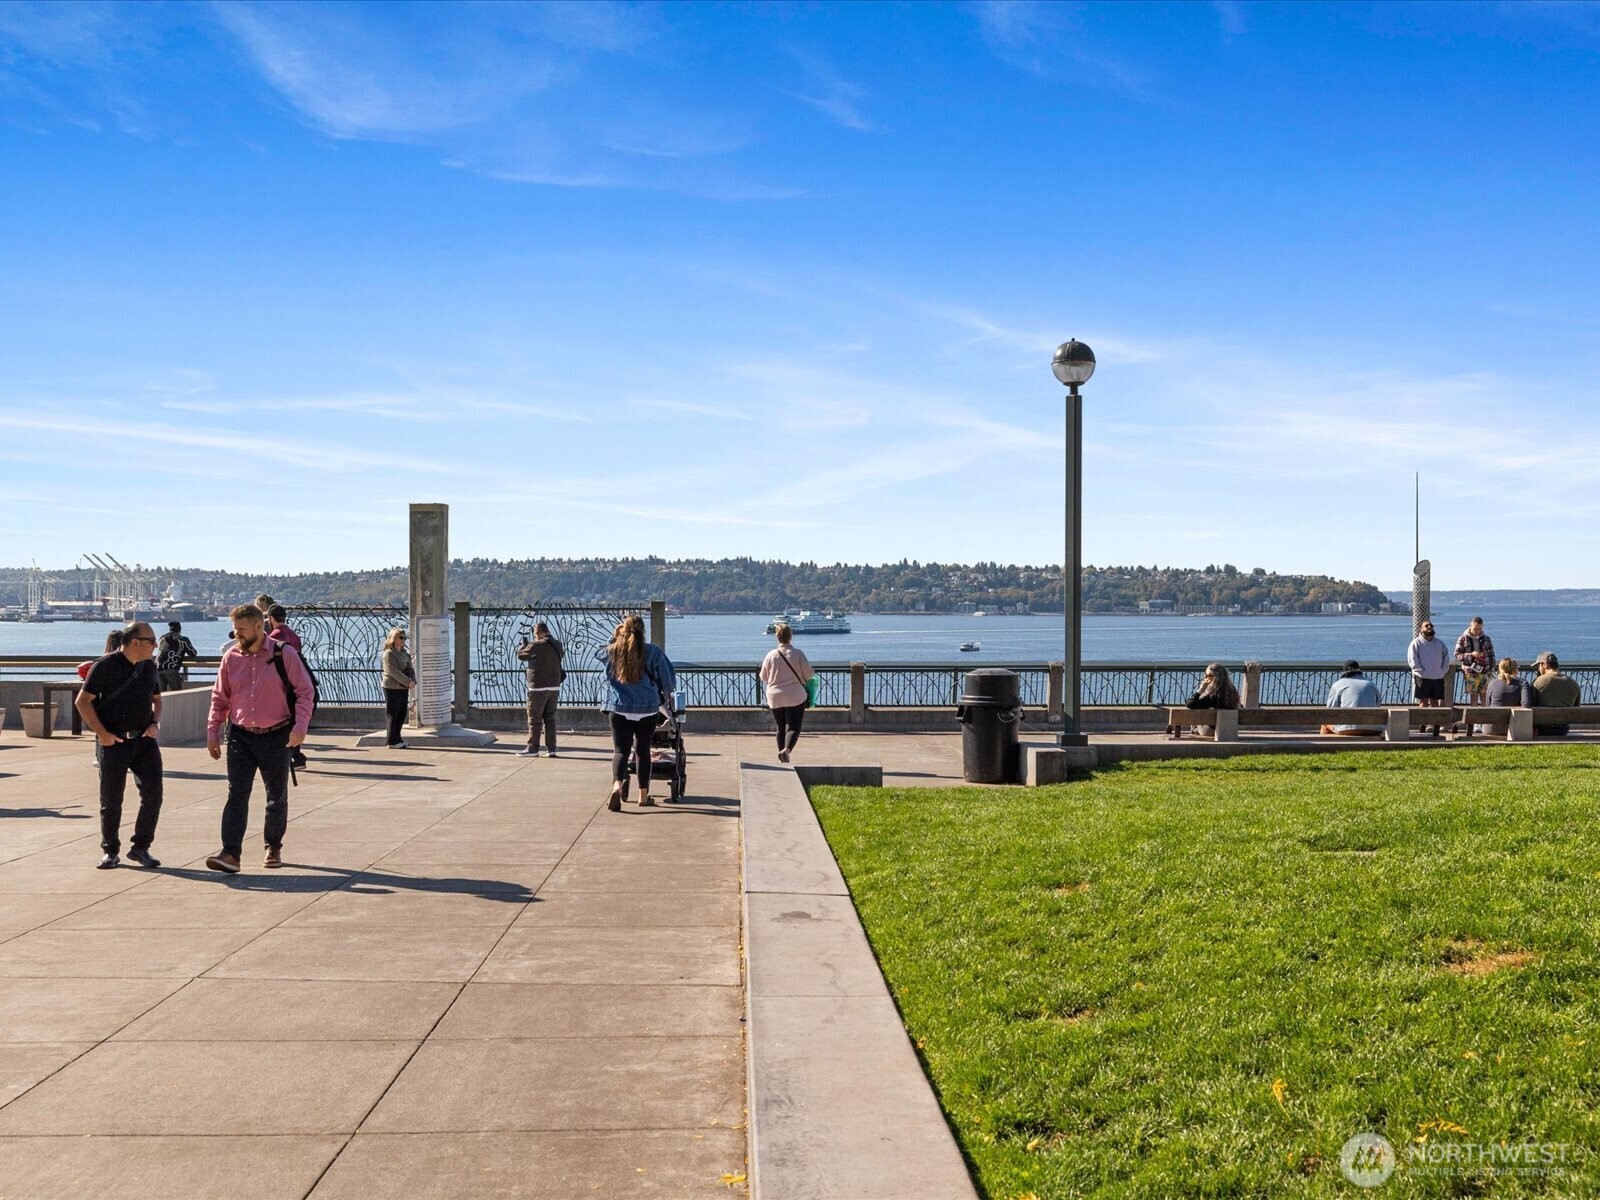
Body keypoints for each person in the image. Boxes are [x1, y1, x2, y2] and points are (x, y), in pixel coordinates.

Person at [204, 603, 314, 873]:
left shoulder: (283, 654)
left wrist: (300, 727)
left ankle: (272, 846)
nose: (236, 634)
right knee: (237, 793)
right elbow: (220, 698)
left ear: (258, 626)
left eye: (241, 629)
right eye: (234, 629)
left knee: (275, 795)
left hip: (277, 735)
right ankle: (230, 854)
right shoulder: (231, 658)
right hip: (241, 736)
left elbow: (305, 692)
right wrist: (213, 731)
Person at [74, 622, 164, 869]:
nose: (156, 645)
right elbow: (83, 702)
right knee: (111, 800)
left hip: (144, 741)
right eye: (151, 640)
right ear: (135, 642)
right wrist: (102, 734)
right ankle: (110, 850)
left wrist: (155, 723)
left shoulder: (149, 667)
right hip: (114, 742)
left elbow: (157, 701)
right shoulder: (105, 666)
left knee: (153, 795)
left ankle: (141, 847)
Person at [597, 614, 676, 811]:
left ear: (623, 629)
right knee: (643, 752)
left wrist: (614, 637)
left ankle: (617, 786)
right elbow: (668, 681)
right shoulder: (653, 652)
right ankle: (643, 795)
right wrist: (666, 697)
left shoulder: (614, 650)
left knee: (621, 751)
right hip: (647, 707)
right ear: (643, 631)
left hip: (620, 707)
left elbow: (598, 654)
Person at [759, 622, 814, 763]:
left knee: (780, 727)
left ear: (777, 637)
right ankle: (787, 750)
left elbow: (763, 677)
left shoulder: (770, 655)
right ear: (791, 636)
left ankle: (782, 756)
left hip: (775, 696)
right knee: (793, 726)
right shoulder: (798, 654)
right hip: (795, 695)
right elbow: (809, 675)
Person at [265, 604, 312, 768]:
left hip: (285, 684)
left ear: (271, 618)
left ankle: (294, 757)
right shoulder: (294, 635)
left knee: (285, 723)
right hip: (297, 681)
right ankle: (296, 756)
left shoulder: (275, 635)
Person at [515, 621, 565, 757]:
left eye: (536, 634)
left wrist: (523, 646)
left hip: (538, 687)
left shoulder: (535, 645)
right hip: (554, 686)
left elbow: (521, 656)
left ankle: (532, 748)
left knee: (534, 718)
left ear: (537, 633)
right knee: (550, 718)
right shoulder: (558, 644)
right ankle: (552, 748)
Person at [1168, 663, 1239, 739]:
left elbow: (1190, 704)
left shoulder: (1213, 696)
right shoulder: (1233, 692)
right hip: (1228, 728)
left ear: (1216, 678)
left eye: (1208, 675)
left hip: (1210, 730)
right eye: (1205, 674)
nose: (1205, 677)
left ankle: (1192, 730)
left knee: (1196, 711)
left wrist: (1201, 689)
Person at [1406, 620, 1450, 737]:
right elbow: (1412, 659)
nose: (1429, 627)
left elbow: (1446, 657)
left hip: (1438, 677)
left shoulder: (1440, 644)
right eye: (1426, 626)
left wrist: (1442, 671)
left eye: (1431, 625)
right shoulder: (1416, 643)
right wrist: (1421, 672)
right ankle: (1423, 724)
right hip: (1423, 678)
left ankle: (1433, 725)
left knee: (1435, 702)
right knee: (1423, 701)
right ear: (1421, 629)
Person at [1321, 660, 1384, 735]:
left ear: (1344, 672)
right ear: (1359, 670)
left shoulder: (1338, 684)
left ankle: (1326, 745)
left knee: (1324, 723)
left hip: (1347, 729)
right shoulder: (1372, 685)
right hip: (1374, 728)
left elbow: (1330, 711)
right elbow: (1377, 707)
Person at [380, 627, 416, 748]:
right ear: (393, 638)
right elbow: (393, 671)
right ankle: (391, 741)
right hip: (392, 687)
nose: (403, 639)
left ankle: (397, 737)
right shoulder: (389, 654)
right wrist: (407, 682)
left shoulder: (404, 653)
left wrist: (413, 680)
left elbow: (410, 668)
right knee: (393, 713)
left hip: (402, 687)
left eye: (404, 637)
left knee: (401, 713)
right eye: (400, 637)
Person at [1530, 652, 1581, 736]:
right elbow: (1576, 708)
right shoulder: (1573, 683)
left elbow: (1531, 705)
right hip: (1563, 729)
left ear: (1545, 665)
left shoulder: (1537, 682)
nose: (1538, 669)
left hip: (1542, 729)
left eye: (1539, 666)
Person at [1454, 616, 1494, 706]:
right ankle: (1473, 718)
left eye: (1479, 629)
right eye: (1475, 629)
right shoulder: (1463, 638)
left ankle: (1484, 718)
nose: (1477, 631)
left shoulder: (1486, 638)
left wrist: (1491, 669)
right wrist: (1471, 655)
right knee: (1473, 697)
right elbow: (1457, 655)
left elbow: (1492, 655)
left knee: (1485, 696)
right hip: (1470, 672)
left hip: (1485, 671)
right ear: (1470, 625)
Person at [156, 621, 198, 692]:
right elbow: (193, 653)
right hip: (171, 668)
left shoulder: (162, 637)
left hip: (158, 667)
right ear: (180, 630)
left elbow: (159, 650)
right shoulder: (183, 640)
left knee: (162, 696)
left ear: (169, 629)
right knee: (177, 695)